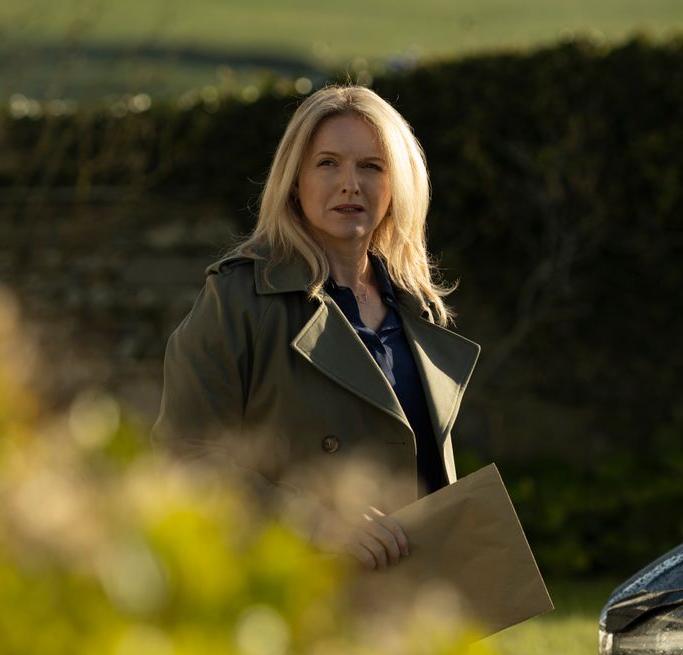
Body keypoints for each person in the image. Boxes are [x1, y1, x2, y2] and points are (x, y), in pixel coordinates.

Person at [152, 85, 480, 571]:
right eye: (328, 163)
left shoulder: (416, 307)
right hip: (297, 591)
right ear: (294, 181)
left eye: (372, 166)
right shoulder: (238, 299)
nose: (350, 184)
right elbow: (184, 455)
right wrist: (314, 521)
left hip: (412, 596)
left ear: (398, 185)